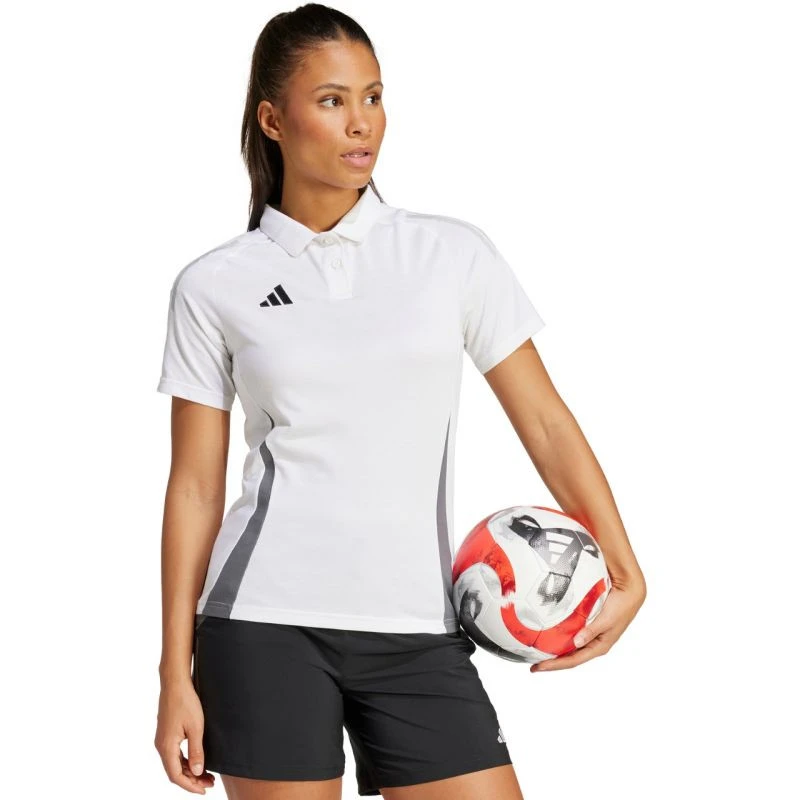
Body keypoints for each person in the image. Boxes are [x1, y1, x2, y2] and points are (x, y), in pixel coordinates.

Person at [153, 5, 647, 799]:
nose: (362, 123)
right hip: (264, 625)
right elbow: (194, 489)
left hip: (420, 628)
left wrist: (624, 565)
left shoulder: (450, 254)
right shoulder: (214, 285)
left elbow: (546, 421)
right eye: (332, 100)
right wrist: (174, 672)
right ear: (273, 120)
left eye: (374, 97)